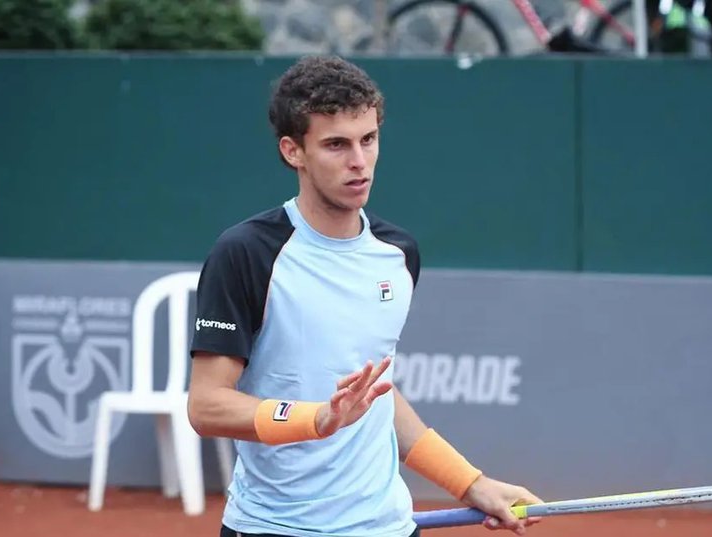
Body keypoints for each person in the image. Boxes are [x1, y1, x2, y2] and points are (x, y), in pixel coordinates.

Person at [187, 55, 543, 537]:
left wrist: (470, 483)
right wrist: (319, 418)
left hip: (387, 527)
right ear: (294, 151)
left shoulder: (398, 254)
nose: (359, 161)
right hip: (275, 528)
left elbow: (376, 394)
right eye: (336, 145)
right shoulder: (247, 253)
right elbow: (207, 406)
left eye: (368, 140)